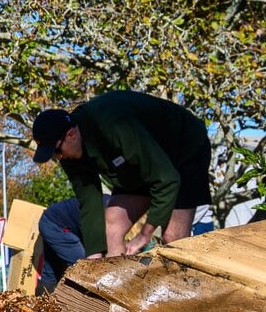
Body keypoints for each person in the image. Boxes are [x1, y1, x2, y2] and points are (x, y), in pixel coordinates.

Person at [31, 91, 211, 259]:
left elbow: (167, 180)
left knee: (172, 236)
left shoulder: (114, 125)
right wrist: (93, 258)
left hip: (183, 152)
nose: (58, 157)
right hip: (140, 164)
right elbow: (89, 202)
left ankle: (186, 288)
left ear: (71, 134)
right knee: (112, 226)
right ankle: (113, 289)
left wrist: (144, 235)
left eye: (57, 151)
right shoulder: (70, 154)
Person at [35, 198, 86, 291]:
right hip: (56, 225)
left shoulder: (109, 203)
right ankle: (79, 301)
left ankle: (42, 302)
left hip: (49, 220)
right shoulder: (107, 211)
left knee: (52, 269)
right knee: (81, 264)